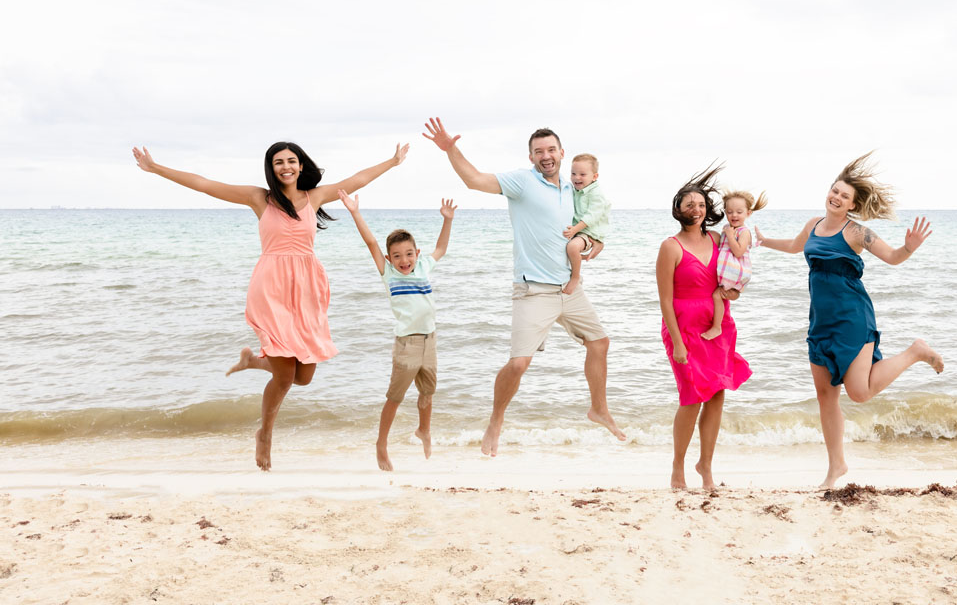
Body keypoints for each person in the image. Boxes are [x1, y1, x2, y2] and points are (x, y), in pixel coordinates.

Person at [131, 141, 409, 470]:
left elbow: (358, 179)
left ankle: (254, 361)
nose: (286, 166)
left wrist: (391, 162)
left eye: (292, 161)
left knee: (304, 375)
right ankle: (265, 434)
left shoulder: (313, 197)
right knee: (284, 374)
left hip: (307, 288)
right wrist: (157, 168)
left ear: (301, 166)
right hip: (272, 287)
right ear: (271, 167)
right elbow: (206, 185)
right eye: (279, 162)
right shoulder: (259, 198)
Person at [421, 117, 626, 456]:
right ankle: (495, 421)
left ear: (561, 152)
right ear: (530, 157)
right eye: (537, 151)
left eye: (550, 150)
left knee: (600, 343)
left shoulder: (572, 189)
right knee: (518, 364)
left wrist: (593, 243)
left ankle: (598, 409)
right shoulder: (522, 182)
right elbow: (474, 180)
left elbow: (591, 220)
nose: (545, 156)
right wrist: (450, 149)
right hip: (533, 291)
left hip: (570, 289)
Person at [755, 152, 943, 489]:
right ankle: (836, 466)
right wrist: (765, 241)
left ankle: (915, 351)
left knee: (859, 392)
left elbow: (892, 257)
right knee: (826, 397)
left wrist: (909, 248)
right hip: (820, 322)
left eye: (845, 196)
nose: (837, 197)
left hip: (852, 317)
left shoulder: (857, 232)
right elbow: (797, 247)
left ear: (852, 205)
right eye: (835, 191)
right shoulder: (812, 225)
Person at [338, 190, 456, 470]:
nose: (404, 260)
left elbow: (440, 249)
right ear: (389, 259)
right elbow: (370, 242)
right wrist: (355, 212)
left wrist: (447, 220)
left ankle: (424, 430)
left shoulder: (424, 266)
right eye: (397, 256)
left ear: (416, 253)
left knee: (428, 393)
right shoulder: (388, 273)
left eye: (409, 254)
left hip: (431, 341)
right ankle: (381, 445)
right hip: (407, 345)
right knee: (395, 397)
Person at [657, 167, 752, 490]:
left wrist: (735, 292)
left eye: (700, 204)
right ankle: (677, 466)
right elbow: (665, 301)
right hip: (683, 327)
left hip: (718, 324)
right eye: (689, 204)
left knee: (716, 395)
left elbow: (734, 271)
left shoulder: (717, 237)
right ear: (678, 210)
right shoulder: (670, 247)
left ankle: (706, 466)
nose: (695, 209)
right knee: (690, 397)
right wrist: (679, 344)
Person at [700, 189, 767, 341]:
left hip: (735, 273)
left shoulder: (743, 232)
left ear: (748, 213)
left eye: (739, 212)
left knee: (717, 295)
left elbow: (738, 252)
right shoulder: (728, 229)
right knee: (718, 295)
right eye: (730, 212)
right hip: (726, 272)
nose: (734, 215)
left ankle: (717, 327)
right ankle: (718, 322)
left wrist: (730, 236)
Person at [562, 153, 610, 296]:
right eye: (573, 173)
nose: (577, 177)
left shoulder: (596, 193)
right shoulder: (574, 189)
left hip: (590, 232)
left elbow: (592, 216)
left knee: (572, 246)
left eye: (582, 174)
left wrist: (575, 229)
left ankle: (575, 277)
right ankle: (577, 259)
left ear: (594, 177)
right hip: (579, 230)